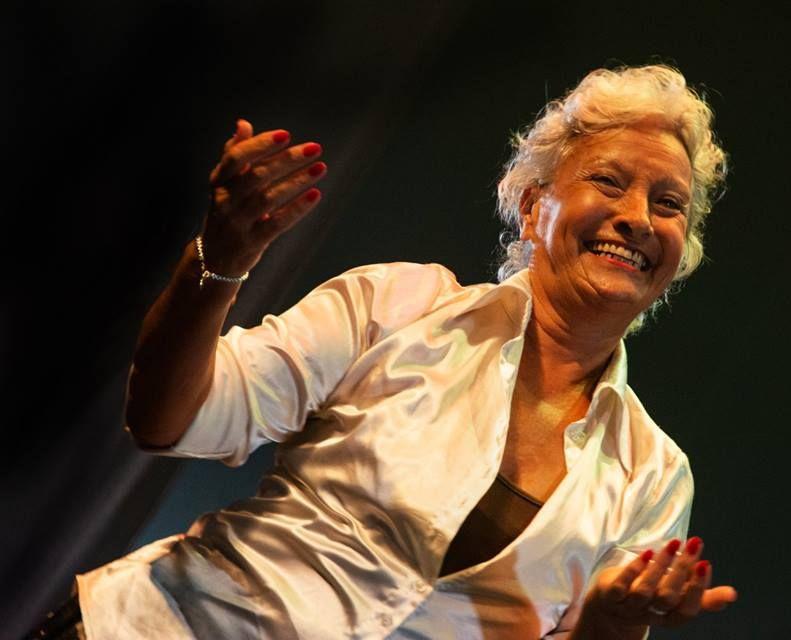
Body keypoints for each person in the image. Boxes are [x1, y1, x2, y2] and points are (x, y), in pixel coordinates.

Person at [31, 64, 738, 639]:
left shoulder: (653, 477)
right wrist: (218, 261)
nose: (636, 217)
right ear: (532, 206)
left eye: (668, 204)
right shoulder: (397, 306)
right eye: (608, 181)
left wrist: (608, 624)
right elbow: (167, 418)